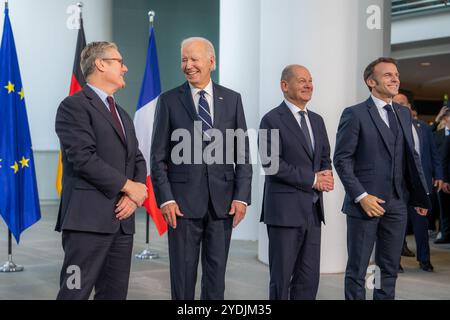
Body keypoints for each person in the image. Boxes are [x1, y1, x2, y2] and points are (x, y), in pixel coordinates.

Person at [150, 37, 252, 300]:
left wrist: (241, 197)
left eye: (194, 59)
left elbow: (242, 153)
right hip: (181, 206)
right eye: (184, 59)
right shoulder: (169, 100)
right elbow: (157, 157)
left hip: (223, 204)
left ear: (211, 62)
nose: (188, 65)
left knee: (216, 278)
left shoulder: (232, 99)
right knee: (183, 278)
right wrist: (166, 199)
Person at [55, 42, 147, 299]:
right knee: (74, 292)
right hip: (87, 224)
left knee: (114, 295)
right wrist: (129, 186)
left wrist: (132, 196)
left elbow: (137, 158)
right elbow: (83, 158)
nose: (125, 68)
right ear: (101, 64)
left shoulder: (122, 113)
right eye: (120, 61)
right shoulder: (73, 106)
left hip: (121, 224)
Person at [333, 57, 430, 300]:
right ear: (371, 81)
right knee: (358, 268)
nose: (395, 78)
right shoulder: (354, 114)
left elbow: (411, 157)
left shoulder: (403, 114)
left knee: (388, 269)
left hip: (397, 204)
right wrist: (361, 196)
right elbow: (342, 159)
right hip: (366, 204)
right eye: (387, 75)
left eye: (396, 74)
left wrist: (420, 196)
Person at [259, 65, 333, 300]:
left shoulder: (318, 120)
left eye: (310, 81)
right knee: (281, 281)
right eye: (302, 80)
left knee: (309, 280)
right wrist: (313, 179)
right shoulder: (270, 119)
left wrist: (326, 174)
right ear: (284, 85)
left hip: (312, 213)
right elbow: (271, 165)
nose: (308, 85)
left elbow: (324, 158)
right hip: (284, 214)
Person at [393, 93, 443, 272]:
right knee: (397, 225)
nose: (400, 106)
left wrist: (439, 175)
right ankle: (394, 262)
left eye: (403, 103)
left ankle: (424, 260)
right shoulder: (391, 128)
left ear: (409, 107)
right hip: (397, 187)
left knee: (422, 225)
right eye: (396, 103)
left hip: (421, 186)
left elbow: (434, 155)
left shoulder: (423, 128)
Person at [433, 109, 450, 243]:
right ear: (445, 118)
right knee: (443, 208)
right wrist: (443, 179)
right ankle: (445, 234)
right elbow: (441, 159)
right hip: (443, 177)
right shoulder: (438, 135)